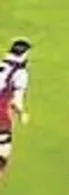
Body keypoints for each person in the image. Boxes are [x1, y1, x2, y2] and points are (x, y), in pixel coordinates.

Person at [0, 39, 31, 183]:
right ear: (24, 54)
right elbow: (16, 100)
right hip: (1, 118)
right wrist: (22, 114)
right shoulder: (20, 73)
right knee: (3, 155)